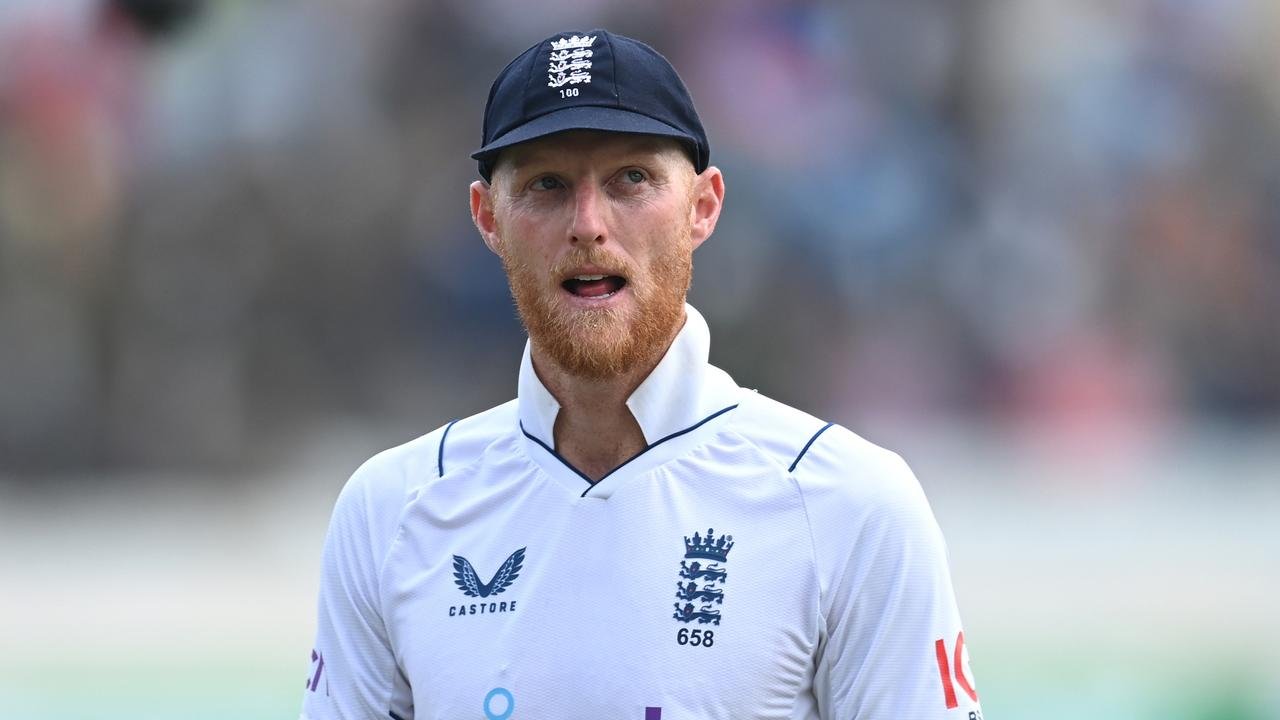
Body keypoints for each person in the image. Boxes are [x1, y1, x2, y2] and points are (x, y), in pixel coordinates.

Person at [300, 29, 983, 720]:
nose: (588, 224)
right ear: (488, 218)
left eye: (632, 179)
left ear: (704, 207)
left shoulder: (851, 504)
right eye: (546, 184)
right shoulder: (391, 511)